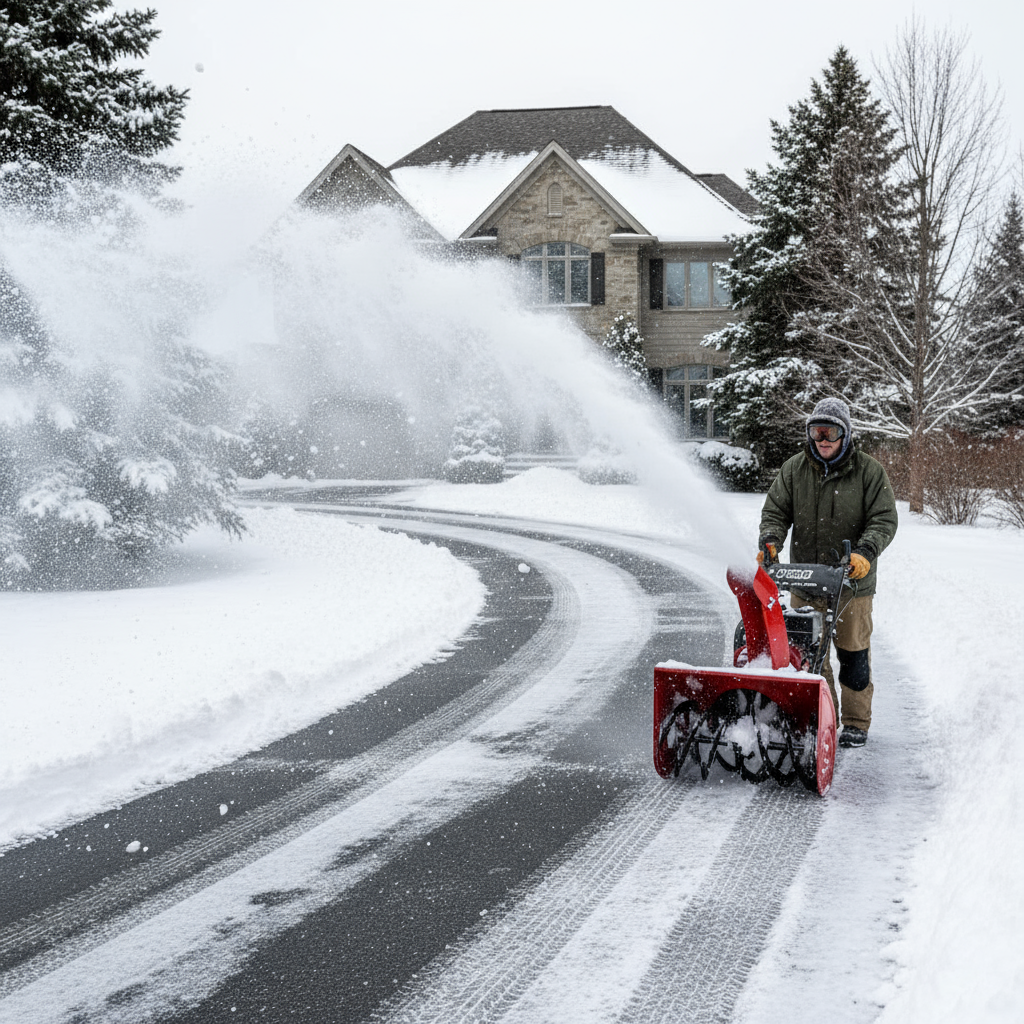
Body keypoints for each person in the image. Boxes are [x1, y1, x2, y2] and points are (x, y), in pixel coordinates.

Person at [758, 397, 898, 748]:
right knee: (809, 654)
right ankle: (824, 716)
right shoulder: (794, 469)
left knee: (853, 655)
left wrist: (865, 552)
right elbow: (775, 511)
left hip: (852, 584)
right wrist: (771, 541)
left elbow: (883, 519)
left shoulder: (868, 471)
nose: (822, 439)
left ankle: (855, 722)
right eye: (816, 431)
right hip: (805, 580)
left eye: (830, 432)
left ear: (845, 433)